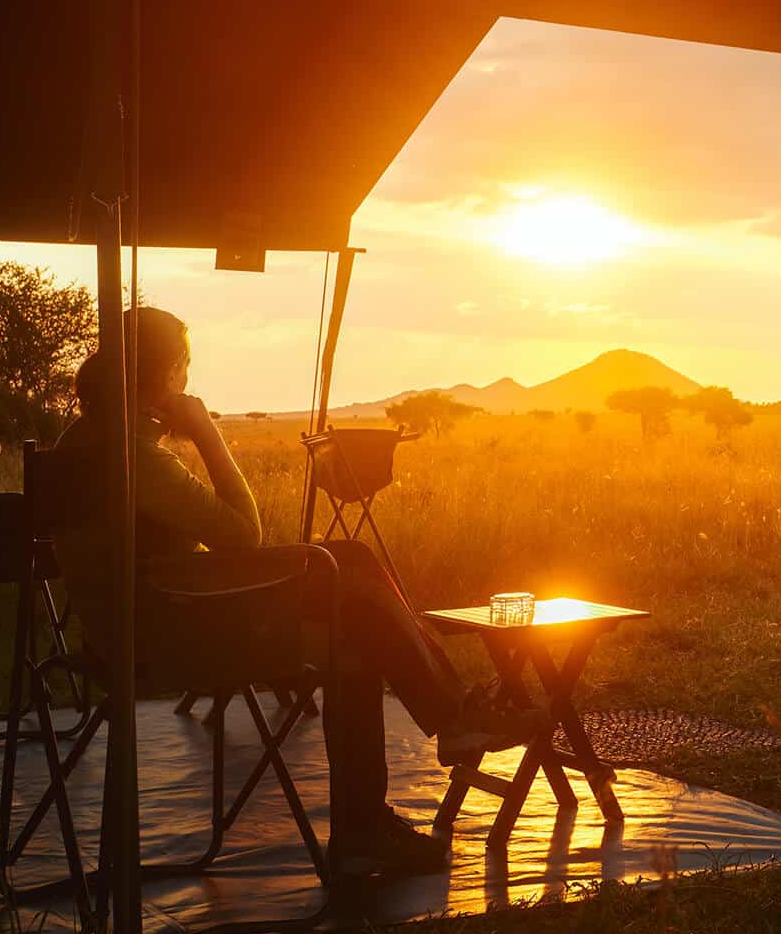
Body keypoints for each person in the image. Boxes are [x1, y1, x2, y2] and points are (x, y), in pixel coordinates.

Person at [55, 306, 544, 880]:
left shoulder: (81, 441)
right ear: (166, 374)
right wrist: (207, 432)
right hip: (166, 639)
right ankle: (400, 784)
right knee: (353, 608)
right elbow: (244, 535)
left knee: (350, 587)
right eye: (184, 367)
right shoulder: (135, 457)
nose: (188, 380)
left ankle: (431, 746)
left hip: (129, 628)